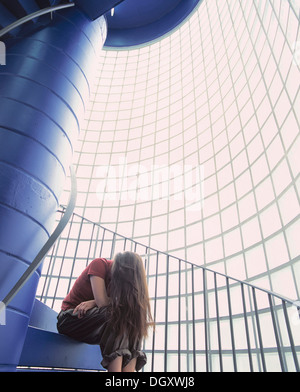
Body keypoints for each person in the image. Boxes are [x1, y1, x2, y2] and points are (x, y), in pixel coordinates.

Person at [57, 251, 154, 372]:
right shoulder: (99, 264)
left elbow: (103, 303)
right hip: (69, 320)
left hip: (92, 324)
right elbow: (102, 303)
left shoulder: (120, 284)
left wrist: (93, 302)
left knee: (133, 320)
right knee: (117, 315)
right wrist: (97, 301)